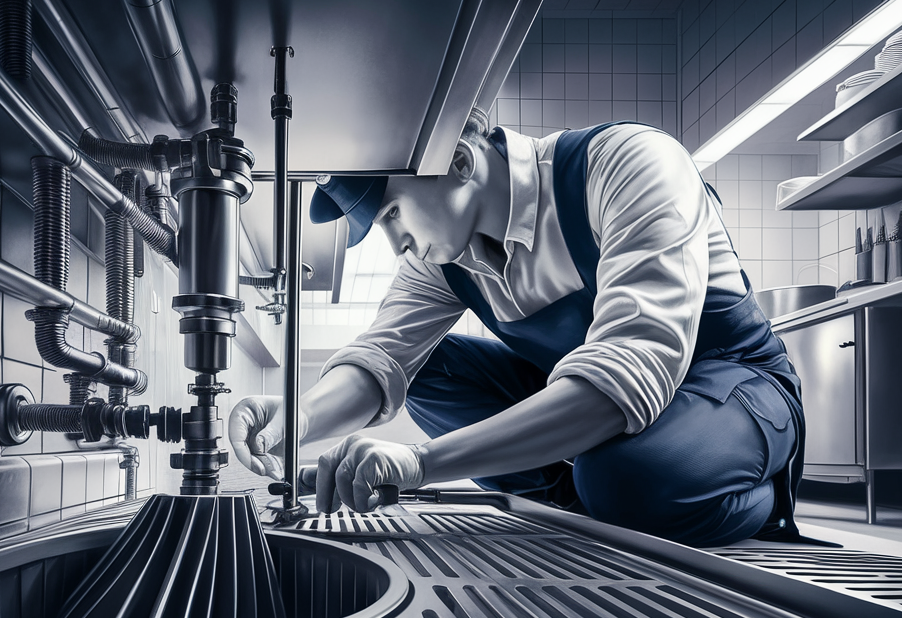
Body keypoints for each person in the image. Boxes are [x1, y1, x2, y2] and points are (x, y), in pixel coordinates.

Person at [228, 109, 808, 548]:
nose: (398, 242)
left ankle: (754, 489)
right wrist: (295, 419)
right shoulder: (441, 259)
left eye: (393, 215)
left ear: (458, 159)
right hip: (605, 426)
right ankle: (582, 497)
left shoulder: (629, 164)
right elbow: (382, 358)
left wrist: (420, 463)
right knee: (429, 368)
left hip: (730, 388)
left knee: (623, 478)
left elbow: (630, 373)